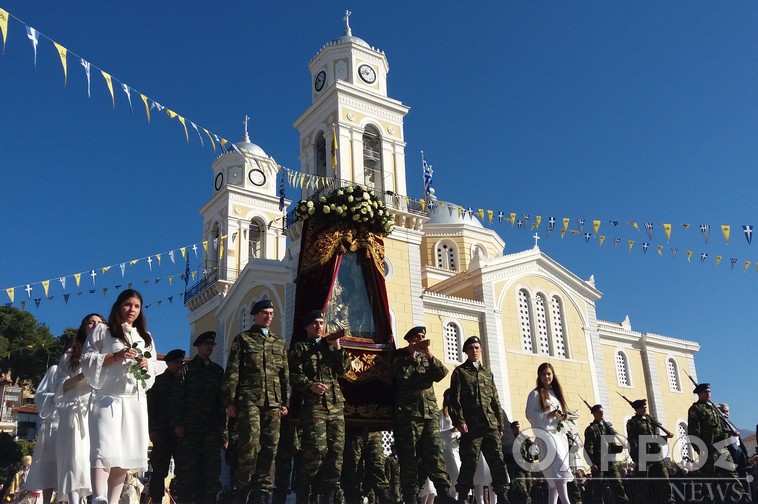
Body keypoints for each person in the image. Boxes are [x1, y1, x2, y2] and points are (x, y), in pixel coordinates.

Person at [82, 289, 159, 504]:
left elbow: (152, 367)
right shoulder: (103, 331)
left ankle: (113, 500)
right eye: (127, 304)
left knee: (124, 453)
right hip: (107, 397)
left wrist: (146, 364)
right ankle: (98, 496)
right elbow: (87, 359)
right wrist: (116, 356)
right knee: (103, 447)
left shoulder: (145, 337)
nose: (131, 309)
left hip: (133, 400)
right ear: (119, 306)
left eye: (136, 306)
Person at [221, 299, 289, 504]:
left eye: (271, 313)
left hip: (273, 402)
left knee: (270, 447)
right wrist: (230, 402)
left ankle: (261, 491)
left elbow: (284, 373)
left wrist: (285, 401)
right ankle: (242, 488)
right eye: (264, 313)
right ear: (255, 315)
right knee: (250, 445)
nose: (268, 316)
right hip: (249, 400)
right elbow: (232, 371)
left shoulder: (279, 342)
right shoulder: (243, 339)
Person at [391, 326, 457, 504]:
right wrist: (412, 355)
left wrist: (427, 353)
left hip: (428, 415)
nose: (421, 339)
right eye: (418, 337)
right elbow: (402, 378)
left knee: (435, 453)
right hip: (408, 415)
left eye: (423, 337)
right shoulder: (400, 357)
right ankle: (410, 496)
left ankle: (443, 491)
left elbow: (441, 373)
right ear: (411, 339)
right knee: (410, 456)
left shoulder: (426, 358)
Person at [290, 309, 349, 504]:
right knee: (317, 449)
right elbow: (294, 375)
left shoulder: (329, 347)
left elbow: (343, 370)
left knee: (336, 452)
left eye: (321, 323)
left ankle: (329, 493)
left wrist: (337, 346)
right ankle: (304, 487)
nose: (319, 326)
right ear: (307, 326)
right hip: (314, 406)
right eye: (315, 323)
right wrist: (310, 385)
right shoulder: (300, 348)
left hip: (335, 405)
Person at [448, 335, 510, 504]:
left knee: (497, 461)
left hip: (490, 425)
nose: (474, 351)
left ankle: (502, 495)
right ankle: (462, 496)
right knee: (469, 462)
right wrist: (459, 422)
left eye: (476, 347)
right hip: (471, 427)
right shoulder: (460, 372)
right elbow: (455, 400)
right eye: (470, 348)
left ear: (481, 350)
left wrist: (501, 425)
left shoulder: (487, 373)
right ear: (466, 351)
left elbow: (495, 400)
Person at [56, 313, 104, 504]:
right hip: (74, 410)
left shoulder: (106, 352)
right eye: (90, 322)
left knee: (96, 457)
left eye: (99, 323)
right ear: (84, 326)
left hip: (97, 410)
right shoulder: (71, 353)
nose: (95, 325)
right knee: (74, 458)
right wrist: (83, 375)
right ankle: (74, 500)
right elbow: (61, 385)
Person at [173, 331, 225, 504]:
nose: (209, 347)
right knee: (188, 471)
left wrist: (221, 426)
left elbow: (221, 400)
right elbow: (178, 397)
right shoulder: (186, 369)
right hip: (190, 427)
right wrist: (178, 423)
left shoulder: (217, 371)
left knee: (211, 470)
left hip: (210, 427)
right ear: (198, 346)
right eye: (206, 344)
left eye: (212, 344)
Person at [688, 384, 750, 503]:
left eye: (709, 391)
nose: (708, 394)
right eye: (705, 392)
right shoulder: (695, 409)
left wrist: (731, 432)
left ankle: (742, 496)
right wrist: (698, 448)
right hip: (708, 448)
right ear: (699, 393)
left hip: (721, 447)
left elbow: (719, 428)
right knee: (709, 478)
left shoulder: (713, 408)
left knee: (732, 472)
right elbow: (693, 431)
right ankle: (707, 499)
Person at [525, 362, 573, 504]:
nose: (547, 376)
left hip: (559, 435)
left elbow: (563, 413)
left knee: (555, 475)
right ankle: (566, 502)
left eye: (549, 374)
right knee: (560, 468)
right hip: (547, 436)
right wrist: (548, 415)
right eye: (544, 374)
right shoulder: (535, 394)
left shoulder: (556, 394)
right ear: (539, 376)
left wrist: (563, 416)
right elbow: (530, 414)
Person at [146, 348, 185, 504]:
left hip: (180, 434)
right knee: (159, 471)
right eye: (176, 362)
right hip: (162, 433)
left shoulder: (185, 380)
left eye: (181, 362)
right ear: (168, 363)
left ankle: (178, 499)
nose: (179, 365)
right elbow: (152, 408)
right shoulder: (159, 382)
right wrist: (152, 430)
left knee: (182, 470)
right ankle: (156, 500)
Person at [24, 365, 61, 504]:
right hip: (53, 424)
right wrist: (58, 394)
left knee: (71, 465)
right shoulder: (55, 370)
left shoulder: (83, 370)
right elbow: (39, 395)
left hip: (72, 425)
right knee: (48, 467)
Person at [625, 398, 672, 504]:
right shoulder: (633, 423)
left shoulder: (651, 420)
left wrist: (665, 438)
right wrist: (636, 458)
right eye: (642, 408)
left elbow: (655, 436)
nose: (644, 409)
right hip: (643, 455)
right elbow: (632, 441)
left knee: (665, 479)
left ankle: (669, 499)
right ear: (636, 409)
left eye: (645, 407)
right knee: (642, 483)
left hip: (656, 454)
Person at [582, 404, 628, 504]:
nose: (602, 413)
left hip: (610, 461)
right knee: (598, 488)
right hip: (598, 463)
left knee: (618, 485)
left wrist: (621, 447)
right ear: (594, 414)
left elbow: (612, 446)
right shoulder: (591, 429)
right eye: (599, 412)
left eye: (602, 411)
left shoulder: (607, 428)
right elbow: (588, 448)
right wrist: (591, 463)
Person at [341, 427, 394, 504]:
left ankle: (384, 495)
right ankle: (353, 499)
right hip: (354, 431)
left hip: (374, 431)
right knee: (352, 468)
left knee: (377, 464)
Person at [504, 421, 533, 504]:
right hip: (517, 467)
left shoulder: (524, 438)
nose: (518, 429)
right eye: (515, 428)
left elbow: (532, 447)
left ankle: (527, 498)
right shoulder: (510, 439)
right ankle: (525, 499)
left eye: (518, 427)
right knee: (521, 486)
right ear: (512, 429)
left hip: (526, 466)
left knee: (529, 485)